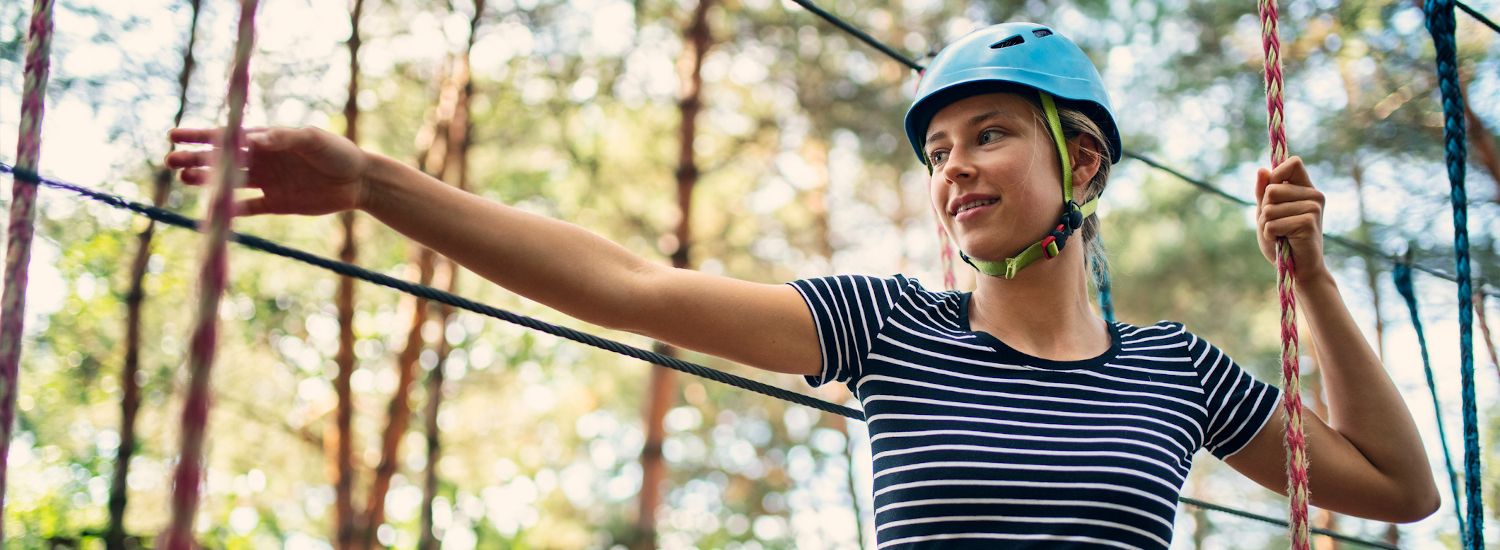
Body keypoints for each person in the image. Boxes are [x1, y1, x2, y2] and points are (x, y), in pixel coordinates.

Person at [167, 21, 1437, 549]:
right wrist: (379, 181)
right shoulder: (889, 325)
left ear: (1080, 157)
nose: (955, 170)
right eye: (939, 150)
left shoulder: (1176, 371)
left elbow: (1400, 490)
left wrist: (1310, 280)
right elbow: (630, 289)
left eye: (988, 133)